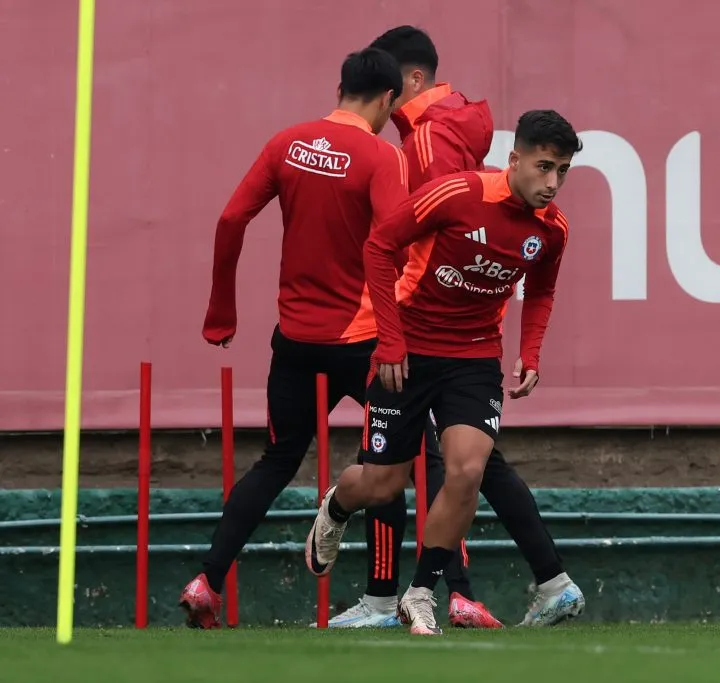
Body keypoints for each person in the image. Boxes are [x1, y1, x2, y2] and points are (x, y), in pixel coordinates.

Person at [321, 24, 585, 631]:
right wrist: (389, 339)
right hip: (408, 349)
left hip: (473, 356)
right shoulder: (457, 192)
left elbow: (541, 288)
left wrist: (532, 352)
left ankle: (419, 593)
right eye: (544, 167)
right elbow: (379, 248)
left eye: (563, 172)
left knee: (467, 467)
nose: (552, 183)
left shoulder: (553, 229)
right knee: (381, 481)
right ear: (513, 159)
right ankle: (336, 506)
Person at [179, 47, 410, 629]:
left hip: (296, 343)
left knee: (276, 460)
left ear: (340, 88)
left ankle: (207, 580)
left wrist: (220, 311)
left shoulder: (286, 143)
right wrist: (395, 339)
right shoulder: (381, 157)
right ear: (386, 99)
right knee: (389, 463)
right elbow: (395, 247)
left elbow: (231, 219)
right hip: (361, 345)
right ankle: (382, 601)